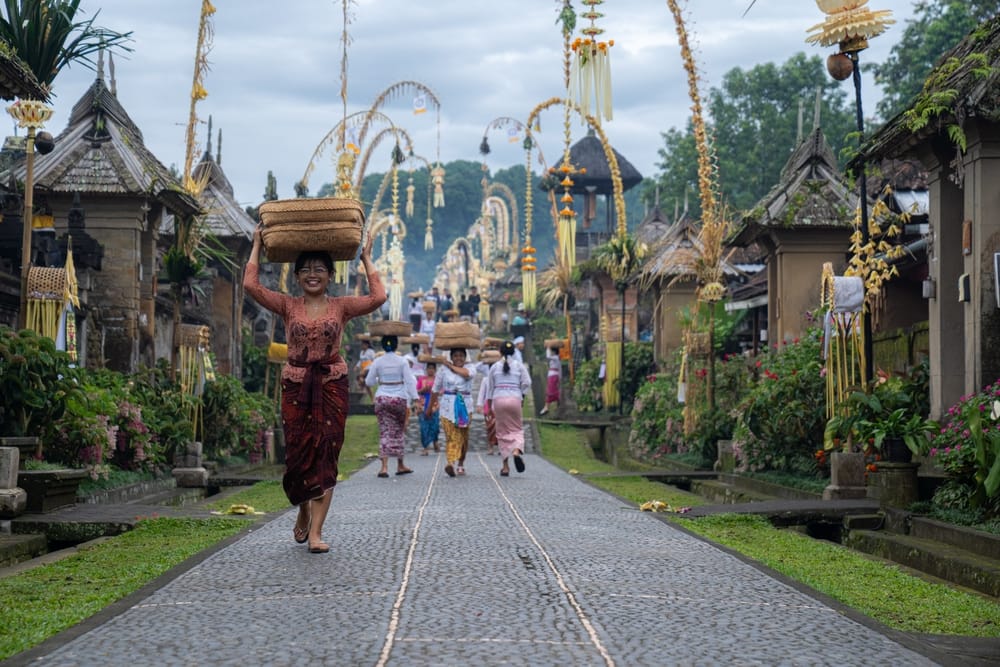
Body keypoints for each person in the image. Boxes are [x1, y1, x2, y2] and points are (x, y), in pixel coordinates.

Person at [243, 225, 384, 554]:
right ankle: (304, 507)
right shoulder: (287, 305)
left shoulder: (342, 307)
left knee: (325, 455)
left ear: (330, 275)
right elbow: (251, 285)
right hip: (296, 386)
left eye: (319, 269)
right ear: (296, 277)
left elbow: (378, 298)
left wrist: (366, 258)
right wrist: (257, 244)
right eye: (305, 269)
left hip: (331, 385)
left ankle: (317, 532)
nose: (312, 274)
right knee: (297, 457)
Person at [366, 335, 418, 478]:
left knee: (385, 431)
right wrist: (416, 398)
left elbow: (369, 382)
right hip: (399, 398)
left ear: (383, 346)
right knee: (399, 431)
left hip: (382, 398)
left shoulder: (377, 361)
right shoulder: (402, 361)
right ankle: (400, 465)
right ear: (396, 346)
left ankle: (384, 467)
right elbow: (409, 381)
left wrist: (381, 379)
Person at [486, 340, 532, 476]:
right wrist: (521, 394)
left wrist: (489, 407)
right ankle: (516, 451)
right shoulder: (519, 366)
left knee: (501, 432)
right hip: (514, 399)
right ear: (513, 351)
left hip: (499, 400)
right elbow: (527, 382)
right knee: (516, 429)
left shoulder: (495, 367)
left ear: (500, 352)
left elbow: (490, 388)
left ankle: (505, 467)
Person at [431, 347, 474, 477]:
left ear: (465, 357)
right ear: (452, 357)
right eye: (455, 356)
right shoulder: (443, 370)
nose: (458, 358)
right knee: (451, 436)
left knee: (463, 437)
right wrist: (430, 407)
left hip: (465, 407)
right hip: (447, 407)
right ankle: (450, 462)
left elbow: (466, 374)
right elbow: (435, 389)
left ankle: (460, 463)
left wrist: (450, 366)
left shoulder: (470, 368)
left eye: (461, 356)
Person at [476, 349, 501, 455]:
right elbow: (482, 393)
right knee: (490, 427)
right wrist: (479, 405)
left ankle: (500, 446)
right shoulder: (486, 380)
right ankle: (490, 446)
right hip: (488, 406)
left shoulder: (501, 379)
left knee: (500, 427)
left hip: (500, 405)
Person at [417, 360, 440, 455]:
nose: (431, 370)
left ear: (435, 370)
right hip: (423, 403)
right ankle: (425, 447)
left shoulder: (438, 380)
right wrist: (423, 389)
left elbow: (442, 391)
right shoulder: (421, 379)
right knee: (424, 426)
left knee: (435, 425)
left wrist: (434, 391)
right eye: (429, 368)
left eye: (432, 368)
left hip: (434, 404)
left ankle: (435, 441)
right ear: (426, 369)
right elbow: (417, 391)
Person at [539, 345, 561, 416]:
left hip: (553, 376)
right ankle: (548, 406)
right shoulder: (556, 358)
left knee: (551, 392)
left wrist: (548, 348)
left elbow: (548, 356)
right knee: (550, 391)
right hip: (552, 375)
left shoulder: (556, 357)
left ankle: (547, 407)